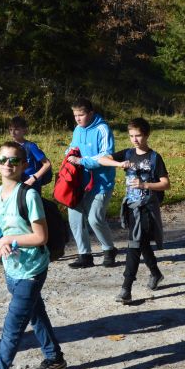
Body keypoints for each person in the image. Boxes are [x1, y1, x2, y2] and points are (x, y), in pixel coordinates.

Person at [0, 141, 66, 369]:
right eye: (2, 159)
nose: (7, 164)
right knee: (35, 313)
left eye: (14, 160)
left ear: (24, 165)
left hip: (32, 269)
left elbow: (40, 237)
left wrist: (9, 240)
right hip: (11, 269)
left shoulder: (28, 196)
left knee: (13, 326)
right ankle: (54, 358)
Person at [96, 118, 171, 304]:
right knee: (141, 242)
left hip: (146, 208)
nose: (135, 139)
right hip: (130, 206)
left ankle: (126, 288)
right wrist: (119, 164)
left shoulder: (154, 158)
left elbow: (165, 184)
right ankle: (156, 273)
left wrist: (145, 184)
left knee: (134, 244)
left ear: (147, 135)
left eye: (138, 135)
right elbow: (102, 159)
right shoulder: (128, 154)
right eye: (131, 136)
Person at [65, 98, 117, 268]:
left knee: (95, 219)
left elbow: (106, 155)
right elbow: (72, 147)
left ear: (91, 113)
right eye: (75, 115)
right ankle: (84, 255)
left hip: (101, 183)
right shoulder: (78, 129)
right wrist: (69, 154)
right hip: (79, 182)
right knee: (75, 217)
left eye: (81, 115)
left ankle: (109, 250)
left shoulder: (102, 129)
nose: (78, 119)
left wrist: (82, 161)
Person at [8, 116, 52, 192]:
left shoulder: (31, 146)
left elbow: (47, 164)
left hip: (32, 183)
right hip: (16, 181)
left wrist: (33, 179)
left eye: (16, 129)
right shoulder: (10, 147)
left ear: (24, 130)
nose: (13, 132)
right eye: (11, 129)